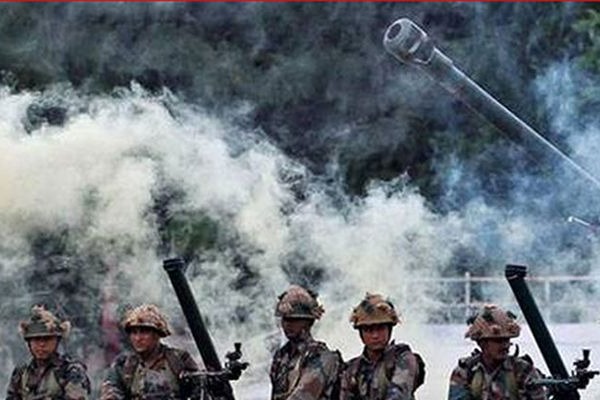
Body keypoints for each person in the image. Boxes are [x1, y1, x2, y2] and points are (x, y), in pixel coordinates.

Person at [100, 303, 203, 400]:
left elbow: (200, 391)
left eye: (144, 332)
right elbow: (111, 391)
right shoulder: (123, 365)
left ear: (157, 334)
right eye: (134, 332)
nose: (138, 338)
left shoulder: (179, 359)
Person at [447, 303, 548, 400]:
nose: (505, 345)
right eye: (498, 341)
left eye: (507, 340)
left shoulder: (523, 371)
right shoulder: (465, 371)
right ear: (482, 343)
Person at [340, 293, 423, 400]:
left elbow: (399, 394)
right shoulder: (352, 369)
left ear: (389, 329)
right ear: (361, 333)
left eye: (380, 328)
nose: (375, 335)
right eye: (369, 330)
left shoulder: (402, 359)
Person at [270, 284, 342, 400]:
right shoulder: (281, 356)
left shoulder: (322, 356)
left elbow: (303, 396)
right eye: (285, 319)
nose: (288, 324)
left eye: (294, 319)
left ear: (308, 322)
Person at [6, 304, 91, 400]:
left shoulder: (70, 371)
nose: (42, 344)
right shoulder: (21, 373)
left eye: (47, 339)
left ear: (57, 341)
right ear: (29, 342)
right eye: (36, 339)